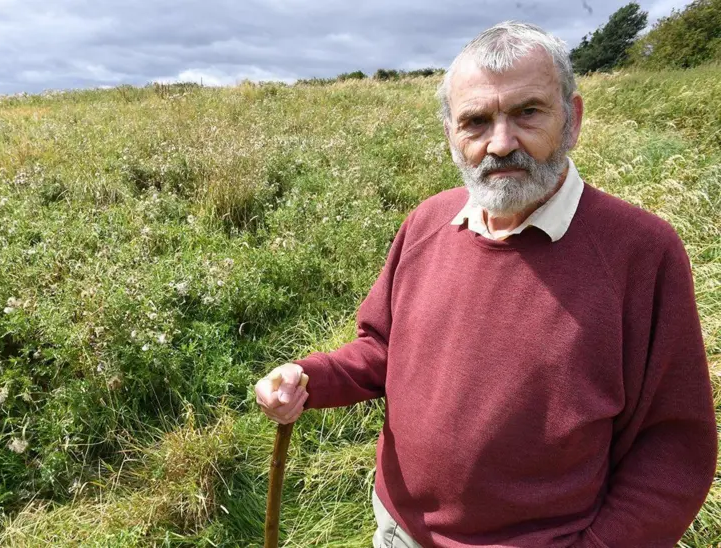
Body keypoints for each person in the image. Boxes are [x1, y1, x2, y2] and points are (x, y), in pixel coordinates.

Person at [254, 21, 717, 548]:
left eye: (528, 112)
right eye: (476, 121)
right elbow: (382, 347)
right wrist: (306, 377)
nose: (501, 143)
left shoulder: (642, 251)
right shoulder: (428, 223)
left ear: (573, 119)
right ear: (451, 133)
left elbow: (672, 447)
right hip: (400, 530)